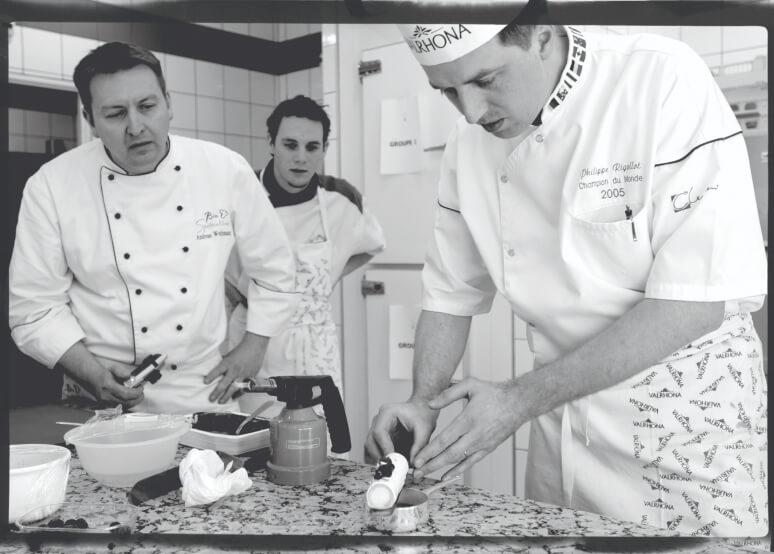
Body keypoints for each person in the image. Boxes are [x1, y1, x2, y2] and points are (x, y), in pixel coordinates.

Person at [365, 22, 768, 536]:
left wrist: (517, 401)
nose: (470, 112)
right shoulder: (467, 142)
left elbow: (693, 302)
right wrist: (421, 401)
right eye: (447, 91)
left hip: (684, 422)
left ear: (541, 35)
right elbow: (449, 294)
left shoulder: (660, 78)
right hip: (560, 418)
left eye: (486, 80)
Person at [8, 42, 298, 414]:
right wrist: (92, 373)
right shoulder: (51, 185)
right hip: (99, 395)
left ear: (168, 103)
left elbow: (275, 269)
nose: (136, 127)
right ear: (90, 120)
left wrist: (254, 346)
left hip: (202, 388)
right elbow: (34, 308)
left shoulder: (223, 169)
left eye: (147, 106)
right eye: (115, 113)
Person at [225, 95, 385, 416]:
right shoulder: (240, 194)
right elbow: (219, 272)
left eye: (312, 147)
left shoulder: (342, 199)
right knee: (257, 432)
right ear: (271, 143)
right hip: (254, 339)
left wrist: (327, 279)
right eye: (290, 145)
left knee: (320, 433)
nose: (301, 158)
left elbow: (371, 246)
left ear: (324, 149)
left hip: (315, 340)